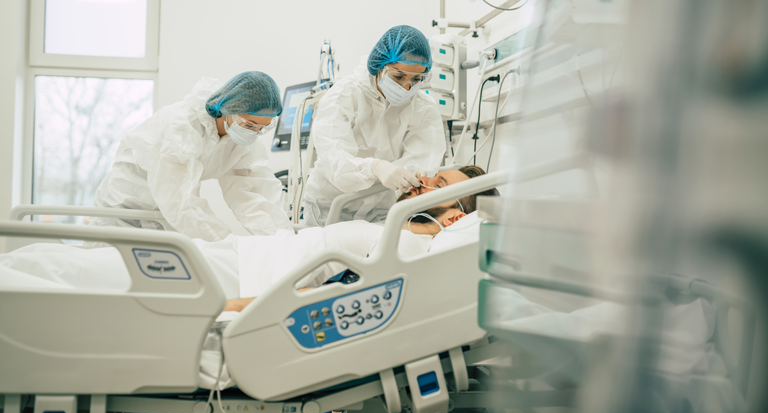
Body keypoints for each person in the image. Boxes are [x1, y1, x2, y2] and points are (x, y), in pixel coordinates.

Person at [2, 166, 497, 310]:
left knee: (81, 275)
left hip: (236, 278)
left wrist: (237, 308)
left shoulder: (409, 246)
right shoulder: (393, 227)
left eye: (440, 186)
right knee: (58, 260)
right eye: (435, 174)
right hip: (234, 256)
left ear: (455, 217)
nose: (426, 180)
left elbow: (335, 295)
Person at [90, 72, 292, 241]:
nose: (254, 132)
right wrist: (227, 245)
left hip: (164, 218)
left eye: (263, 128)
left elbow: (253, 196)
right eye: (249, 124)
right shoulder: (181, 126)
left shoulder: (242, 143)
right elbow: (181, 201)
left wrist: (283, 240)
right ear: (228, 110)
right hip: (124, 210)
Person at [302, 25, 447, 227]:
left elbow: (424, 158)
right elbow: (334, 162)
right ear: (379, 66)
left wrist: (411, 174)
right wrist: (374, 167)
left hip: (382, 210)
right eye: (398, 77)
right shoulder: (343, 95)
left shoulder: (423, 107)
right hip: (329, 208)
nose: (407, 88)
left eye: (416, 79)